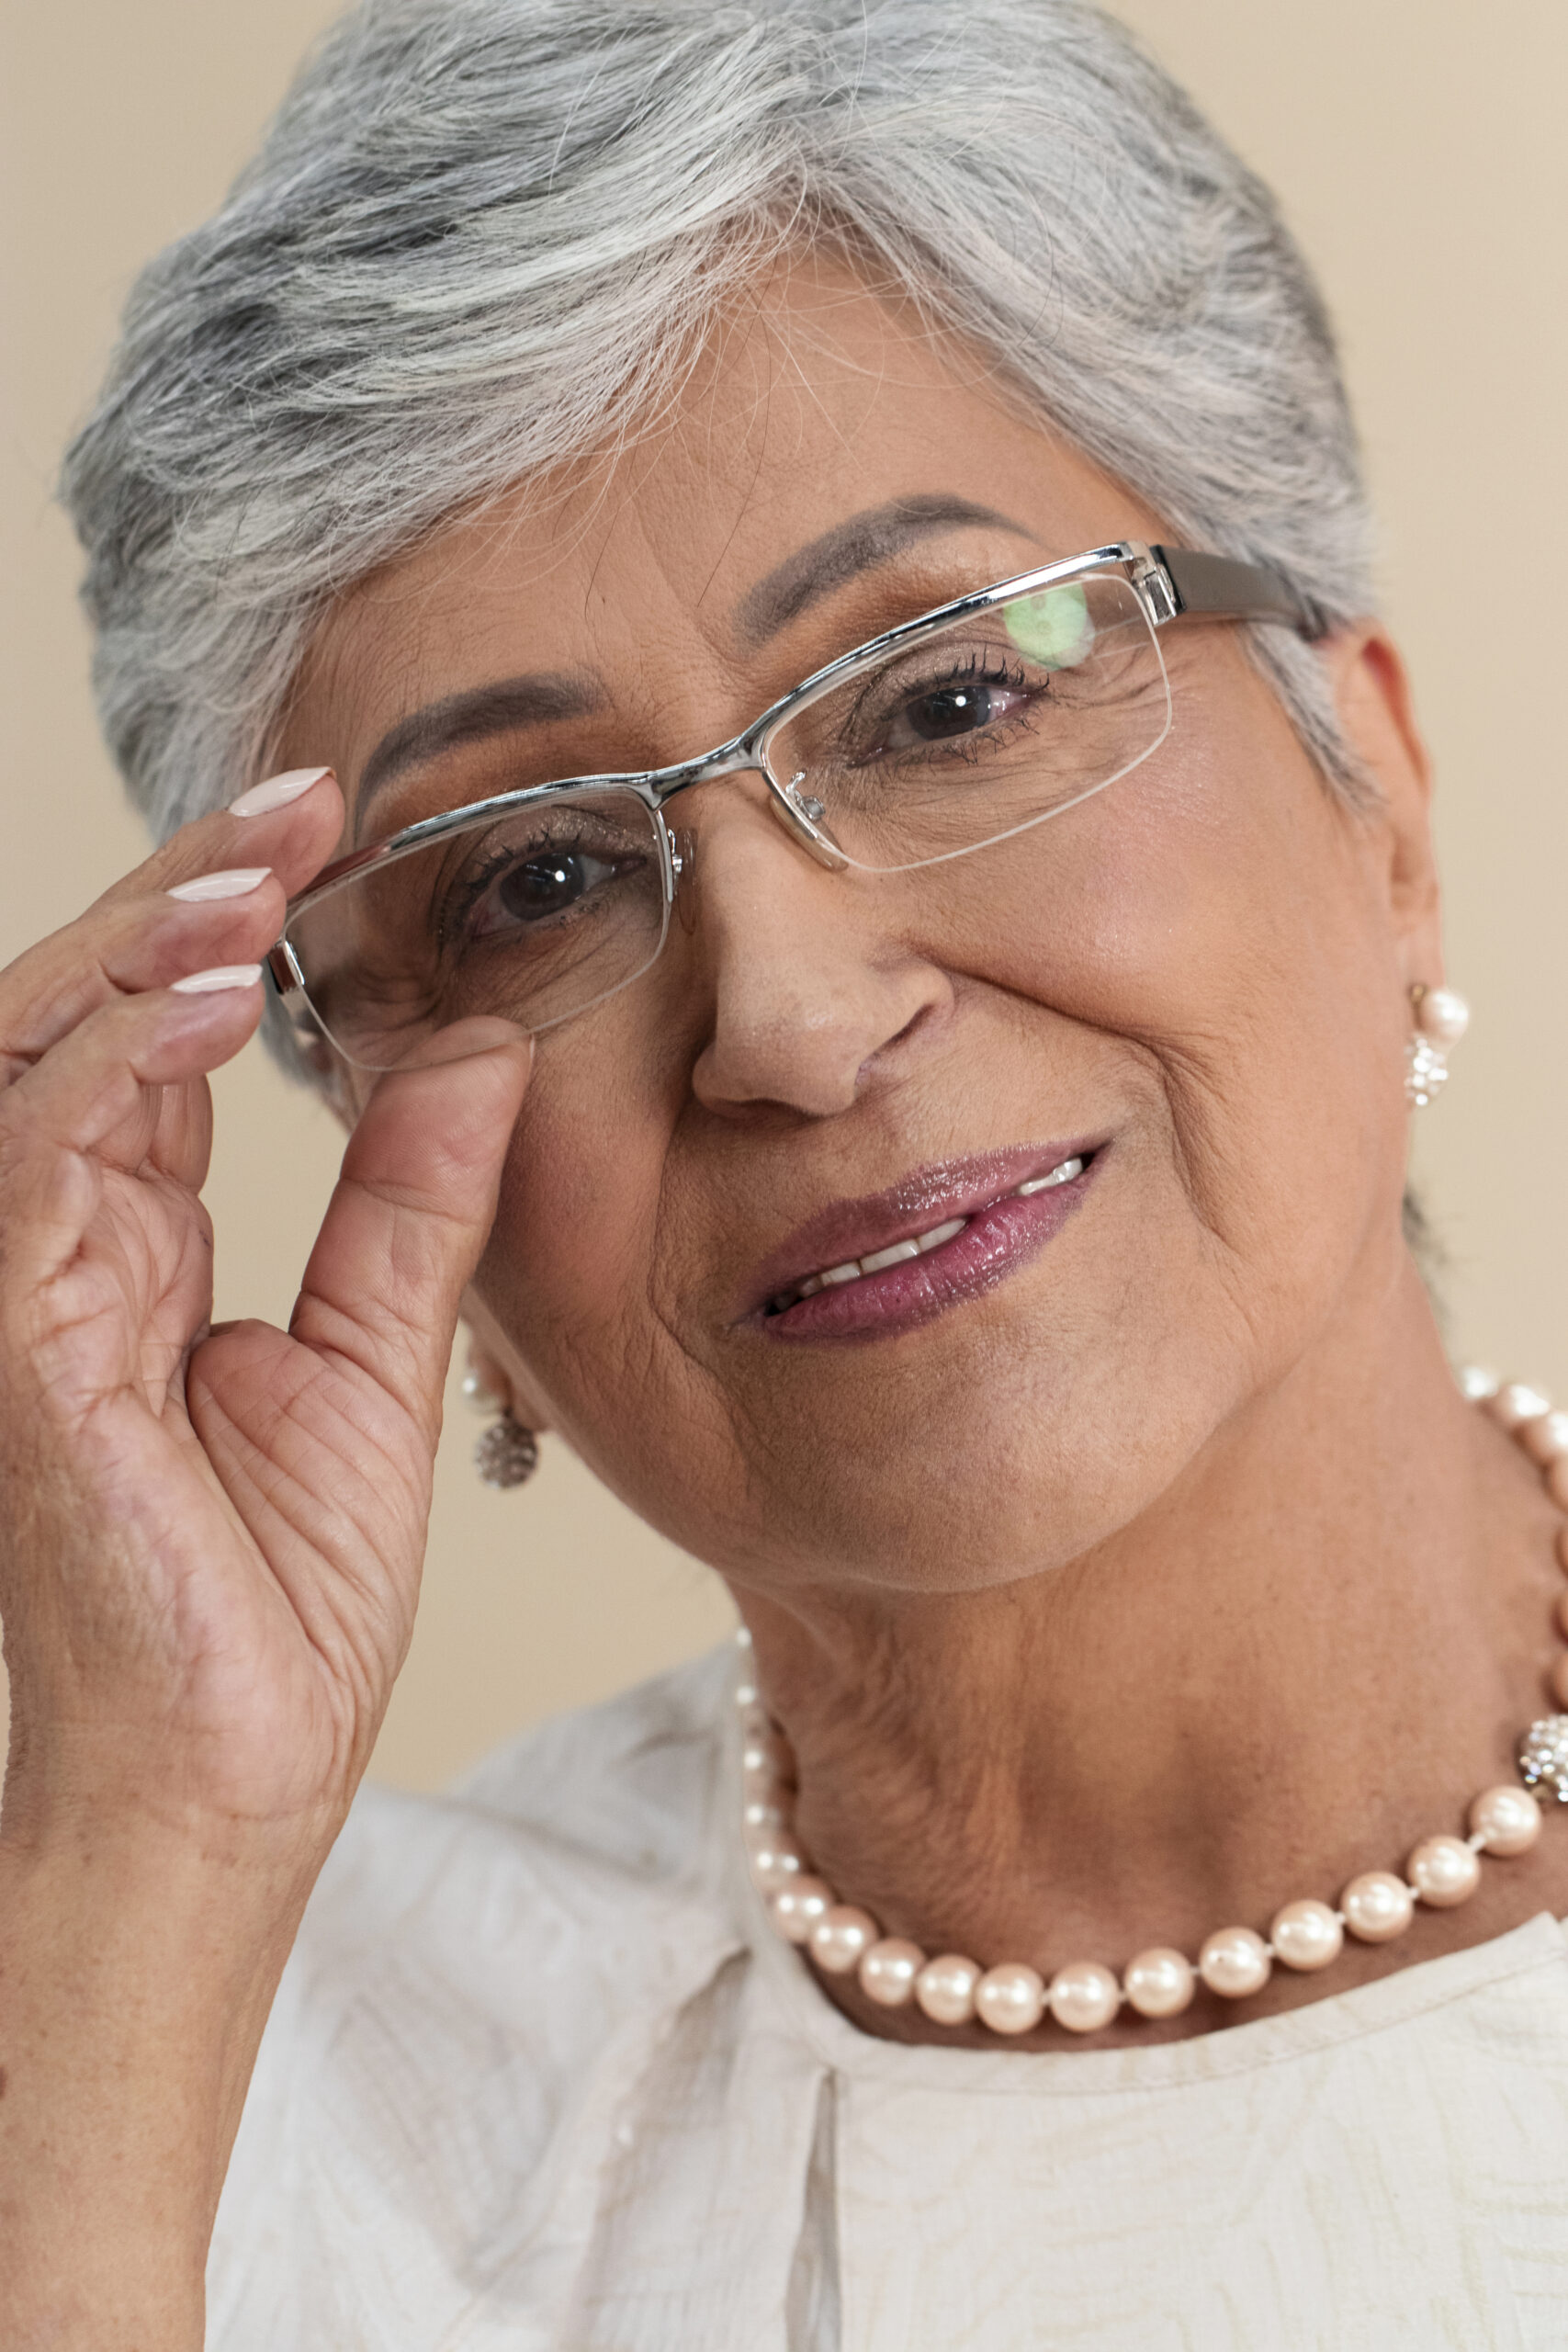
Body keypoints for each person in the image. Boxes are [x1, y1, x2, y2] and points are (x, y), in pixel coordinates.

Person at [4, 0, 1567, 2342]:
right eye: (528, 882)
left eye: (947, 699)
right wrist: (138, 1842)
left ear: (1382, 810)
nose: (793, 1020)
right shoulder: (209, 2071)